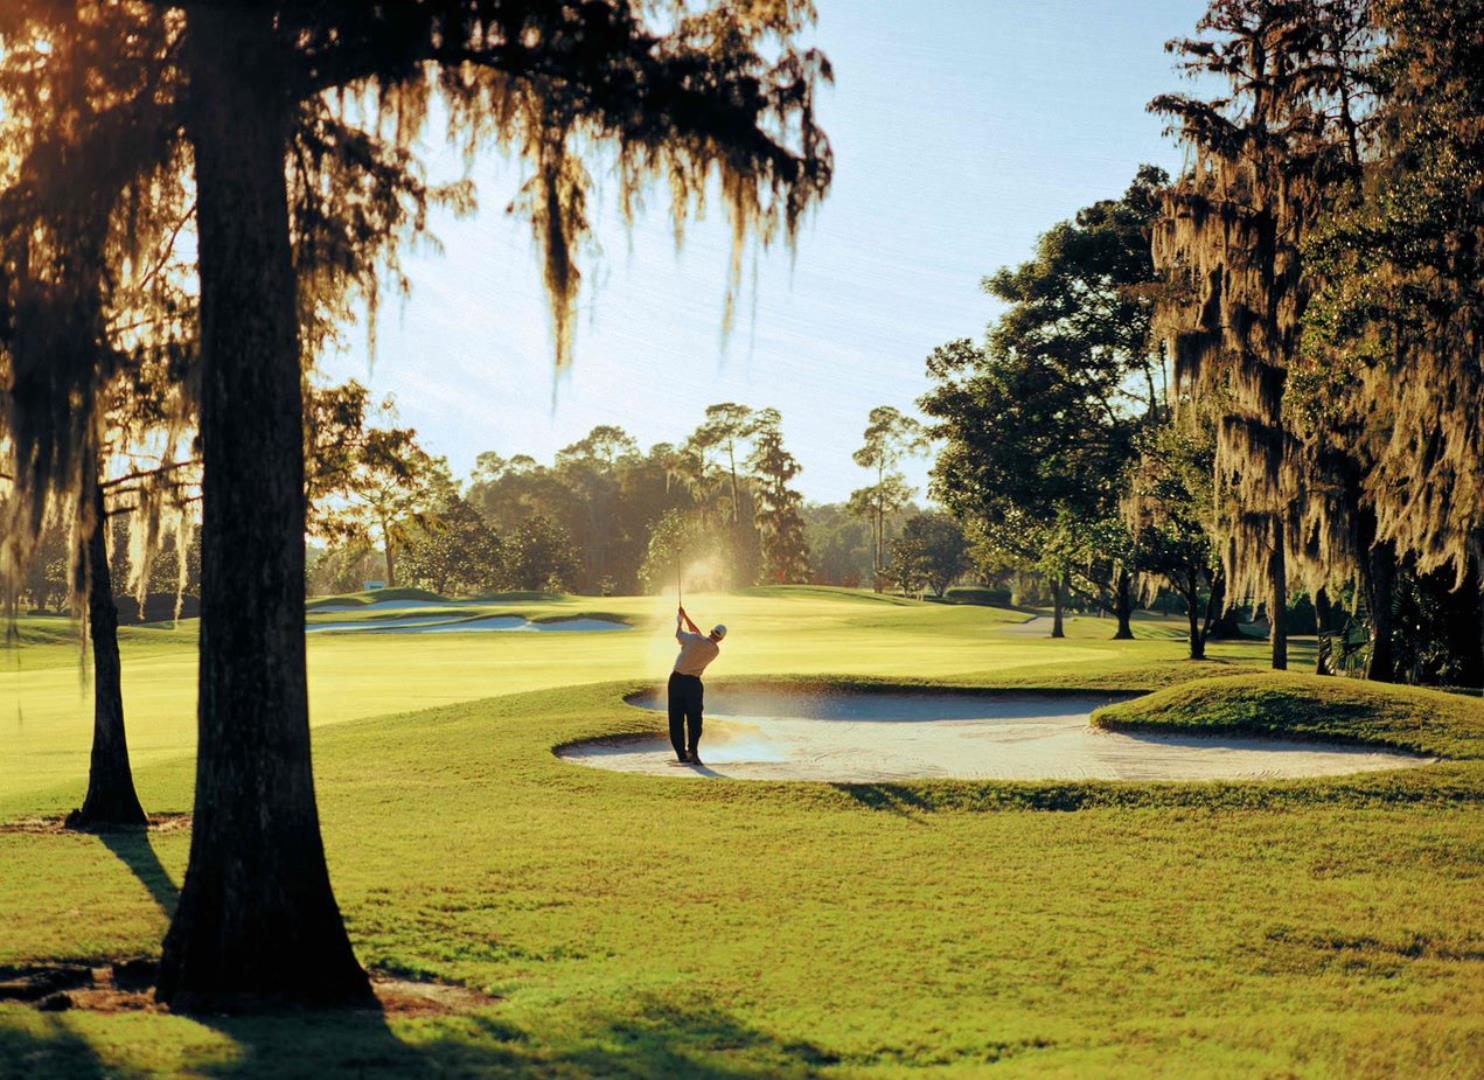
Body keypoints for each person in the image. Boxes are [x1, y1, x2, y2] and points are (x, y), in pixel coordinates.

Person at [669, 605, 726, 765]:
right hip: (694, 684)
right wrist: (686, 616)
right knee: (695, 719)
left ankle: (681, 755)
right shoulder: (714, 650)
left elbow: (680, 635)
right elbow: (698, 635)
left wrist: (680, 621)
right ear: (721, 639)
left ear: (711, 631)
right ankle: (693, 750)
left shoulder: (694, 639)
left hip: (677, 681)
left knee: (676, 719)